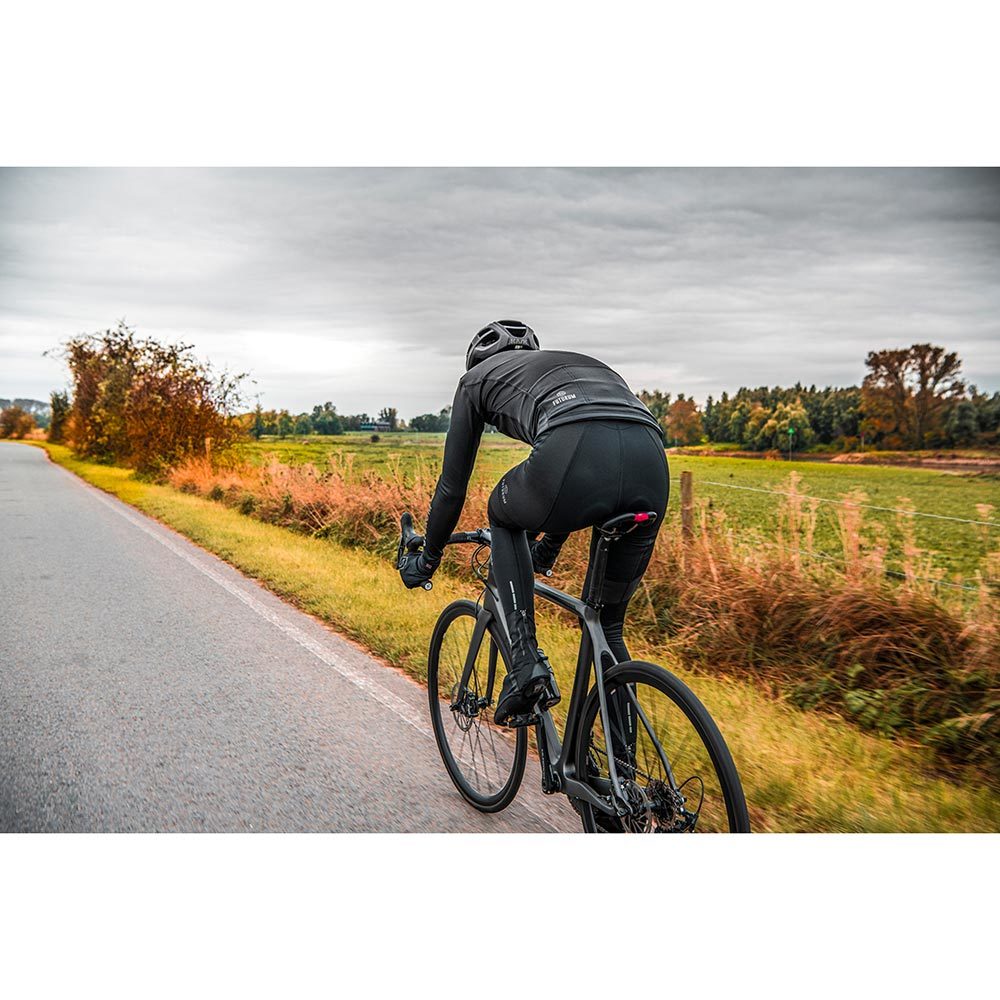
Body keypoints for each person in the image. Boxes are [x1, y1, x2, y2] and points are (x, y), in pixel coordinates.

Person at [399, 320, 669, 728]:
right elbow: (583, 469)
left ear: (478, 361)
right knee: (608, 627)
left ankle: (525, 664)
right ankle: (624, 763)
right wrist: (546, 550)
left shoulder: (474, 381)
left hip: (577, 449)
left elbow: (452, 488)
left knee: (501, 510)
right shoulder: (572, 367)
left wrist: (428, 559)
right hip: (650, 461)